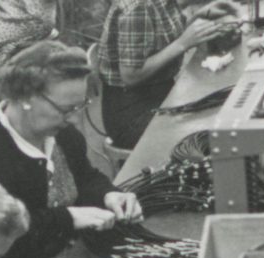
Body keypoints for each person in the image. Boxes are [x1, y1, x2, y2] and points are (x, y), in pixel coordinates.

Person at [0, 40, 143, 258]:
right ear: (25, 98)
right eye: (65, 109)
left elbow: (85, 176)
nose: (73, 118)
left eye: (80, 106)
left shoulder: (61, 134)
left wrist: (108, 194)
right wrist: (67, 219)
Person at [97, 0, 240, 149]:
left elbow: (162, 36)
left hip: (160, 95)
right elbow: (130, 76)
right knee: (215, 135)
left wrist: (200, 15)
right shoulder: (138, 8)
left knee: (223, 110)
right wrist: (183, 43)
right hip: (132, 113)